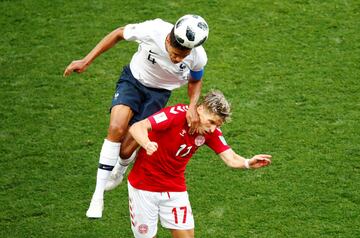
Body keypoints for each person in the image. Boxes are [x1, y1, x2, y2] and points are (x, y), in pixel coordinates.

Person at [63, 15, 210, 218]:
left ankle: (119, 171)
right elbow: (118, 34)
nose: (177, 60)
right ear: (168, 40)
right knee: (116, 128)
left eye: (182, 57)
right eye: (175, 54)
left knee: (126, 150)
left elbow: (195, 80)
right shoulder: (153, 30)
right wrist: (86, 60)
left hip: (158, 95)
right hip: (132, 81)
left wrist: (193, 106)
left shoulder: (198, 56)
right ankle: (97, 197)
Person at [127, 90, 272, 238]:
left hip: (174, 189)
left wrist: (248, 162)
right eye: (211, 122)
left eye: (217, 125)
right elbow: (137, 127)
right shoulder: (176, 115)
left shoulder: (210, 132)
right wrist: (147, 143)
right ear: (200, 109)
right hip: (143, 187)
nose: (213, 129)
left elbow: (231, 158)